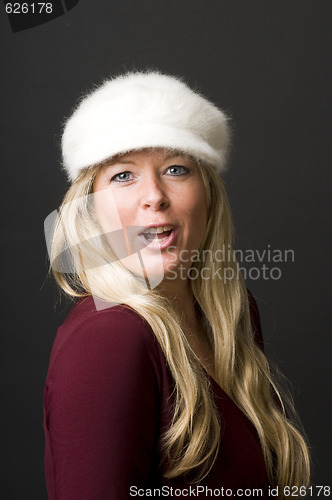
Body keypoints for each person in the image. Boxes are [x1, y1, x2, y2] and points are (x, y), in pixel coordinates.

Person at [43, 71, 310, 500]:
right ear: (90, 210)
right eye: (123, 176)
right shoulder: (109, 339)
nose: (154, 196)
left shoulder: (230, 316)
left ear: (207, 194)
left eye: (175, 169)